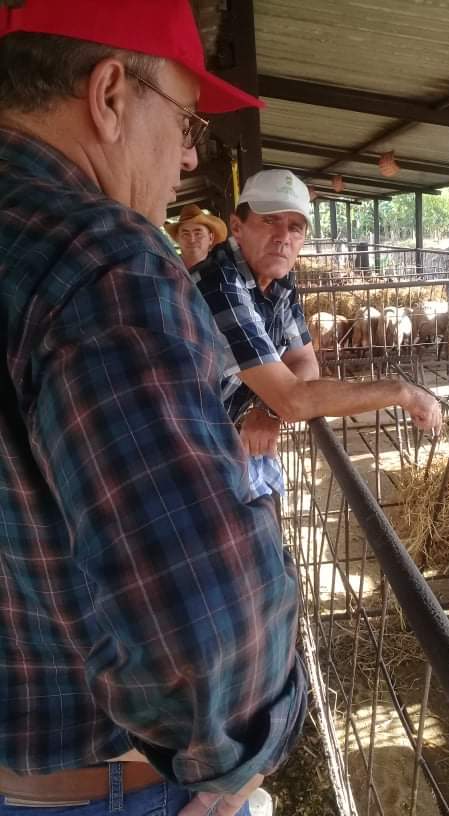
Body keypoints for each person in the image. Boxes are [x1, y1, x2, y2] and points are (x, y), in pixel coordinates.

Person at [0, 4, 306, 816]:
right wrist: (243, 753)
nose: (189, 155)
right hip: (108, 786)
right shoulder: (103, 261)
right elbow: (198, 617)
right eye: (186, 120)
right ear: (108, 94)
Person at [197, 169, 442, 500]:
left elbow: (304, 361)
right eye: (270, 220)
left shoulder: (279, 280)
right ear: (237, 227)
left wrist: (271, 409)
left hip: (225, 435)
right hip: (186, 451)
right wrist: (402, 392)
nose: (284, 236)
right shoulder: (219, 283)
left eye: (295, 227)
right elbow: (296, 399)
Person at [165, 204, 228, 274]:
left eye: (198, 234)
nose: (192, 240)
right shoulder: (165, 271)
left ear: (211, 238)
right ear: (177, 239)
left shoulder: (224, 269)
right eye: (185, 234)